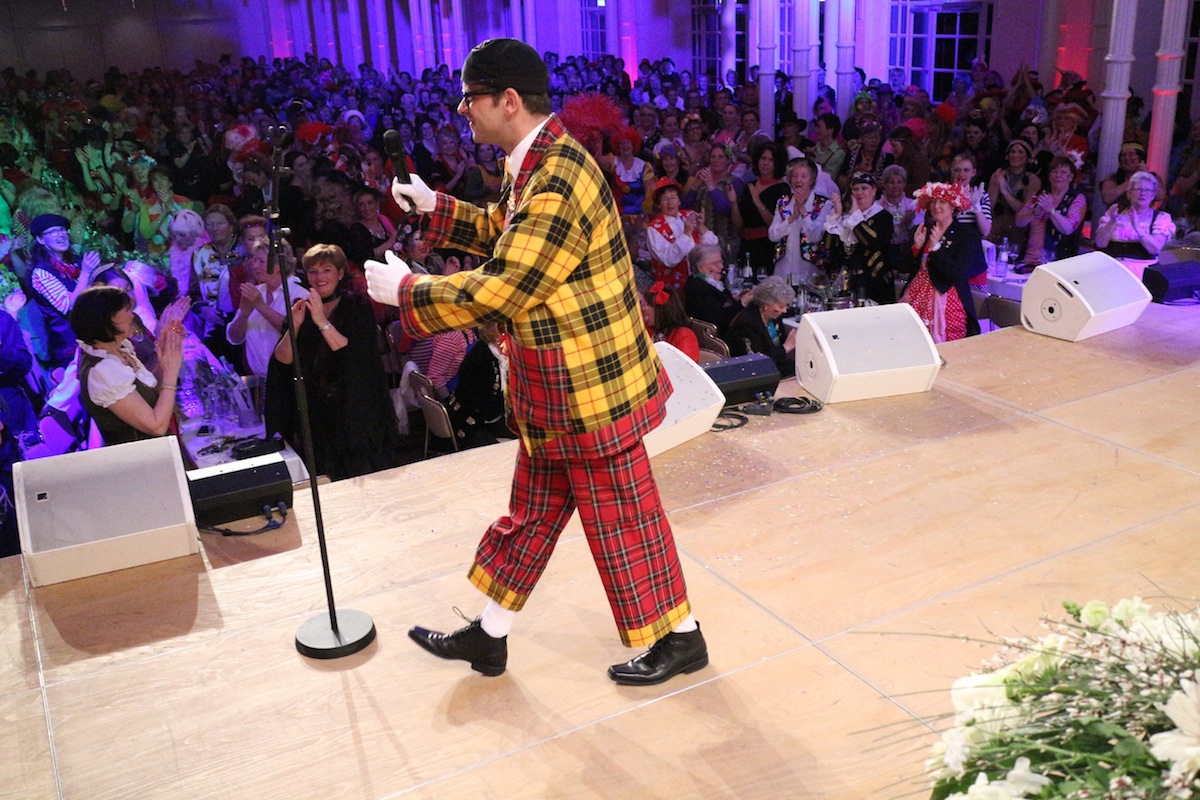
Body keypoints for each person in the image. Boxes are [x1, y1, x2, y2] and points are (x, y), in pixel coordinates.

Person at [364, 38, 706, 686]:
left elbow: (508, 284)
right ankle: (490, 635)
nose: (462, 110)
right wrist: (436, 207)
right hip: (560, 386)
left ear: (508, 100)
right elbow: (509, 233)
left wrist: (408, 291)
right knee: (534, 513)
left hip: (588, 390)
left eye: (470, 98)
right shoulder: (540, 160)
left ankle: (681, 636)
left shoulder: (556, 176)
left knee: (625, 520)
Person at [266, 243, 400, 481]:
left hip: (356, 410)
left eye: (326, 270)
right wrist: (294, 326)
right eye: (314, 271)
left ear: (339, 273)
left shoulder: (357, 306)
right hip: (317, 413)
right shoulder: (302, 307)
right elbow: (282, 359)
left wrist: (321, 321)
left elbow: (353, 355)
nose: (319, 277)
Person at [68, 285, 184, 446]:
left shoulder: (119, 350)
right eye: (127, 311)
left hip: (161, 449)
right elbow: (156, 426)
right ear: (106, 320)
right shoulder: (102, 372)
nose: (132, 316)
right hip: (147, 458)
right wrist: (171, 373)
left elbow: (149, 389)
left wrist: (166, 357)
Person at [901, 182, 983, 343]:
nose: (936, 206)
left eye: (942, 202)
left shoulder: (966, 234)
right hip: (916, 296)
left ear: (953, 206)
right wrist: (916, 247)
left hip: (948, 300)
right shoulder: (923, 230)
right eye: (933, 202)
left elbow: (956, 273)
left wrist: (936, 248)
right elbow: (902, 267)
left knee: (947, 347)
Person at [226, 238, 306, 380]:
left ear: (280, 265)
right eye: (254, 260)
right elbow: (234, 338)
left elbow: (296, 334)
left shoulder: (300, 294)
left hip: (288, 380)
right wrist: (243, 316)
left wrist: (260, 306)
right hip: (258, 380)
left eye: (261, 261)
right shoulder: (255, 292)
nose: (255, 266)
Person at [824, 172, 894, 304]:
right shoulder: (846, 218)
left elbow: (872, 242)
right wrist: (837, 216)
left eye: (864, 188)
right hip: (846, 284)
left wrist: (856, 218)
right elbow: (829, 247)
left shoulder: (883, 217)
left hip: (874, 285)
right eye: (855, 189)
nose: (859, 193)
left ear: (873, 191)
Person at [1094, 171, 1176, 280]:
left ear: (1152, 195)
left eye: (1148, 190)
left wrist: (1138, 227)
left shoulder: (1161, 218)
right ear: (1129, 193)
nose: (1143, 193)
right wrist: (1111, 223)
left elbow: (1155, 249)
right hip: (1112, 269)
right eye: (1138, 189)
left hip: (1143, 273)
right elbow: (1100, 243)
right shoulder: (1115, 213)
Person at [1014, 155, 1087, 270]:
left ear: (1071, 177)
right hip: (1027, 261)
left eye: (1063, 172)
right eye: (1054, 171)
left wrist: (1051, 210)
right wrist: (1035, 211)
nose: (1058, 175)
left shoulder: (1077, 198)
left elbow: (1068, 229)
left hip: (1057, 264)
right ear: (1049, 176)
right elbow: (1019, 222)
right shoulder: (1040, 195)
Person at [768, 157, 832, 286]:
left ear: (811, 180)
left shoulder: (823, 204)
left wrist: (803, 211)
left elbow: (815, 237)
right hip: (783, 270)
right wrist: (791, 218)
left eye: (804, 176)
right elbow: (772, 235)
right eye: (795, 176)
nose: (798, 180)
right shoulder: (783, 202)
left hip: (809, 271)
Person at [646, 178, 717, 290]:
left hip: (702, 283)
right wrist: (686, 234)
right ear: (659, 204)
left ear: (679, 201)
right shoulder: (653, 229)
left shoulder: (690, 214)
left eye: (673, 198)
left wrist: (702, 227)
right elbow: (669, 260)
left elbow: (713, 246)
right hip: (674, 289)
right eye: (665, 199)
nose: (670, 203)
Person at [727, 276, 797, 377]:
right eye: (781, 306)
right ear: (766, 304)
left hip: (776, 364)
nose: (784, 310)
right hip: (753, 373)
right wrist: (786, 346)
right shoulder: (747, 324)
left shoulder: (773, 315)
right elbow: (756, 361)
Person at [639, 282, 700, 362]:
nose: (643, 309)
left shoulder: (684, 335)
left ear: (662, 311)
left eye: (649, 305)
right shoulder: (647, 331)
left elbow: (684, 367)